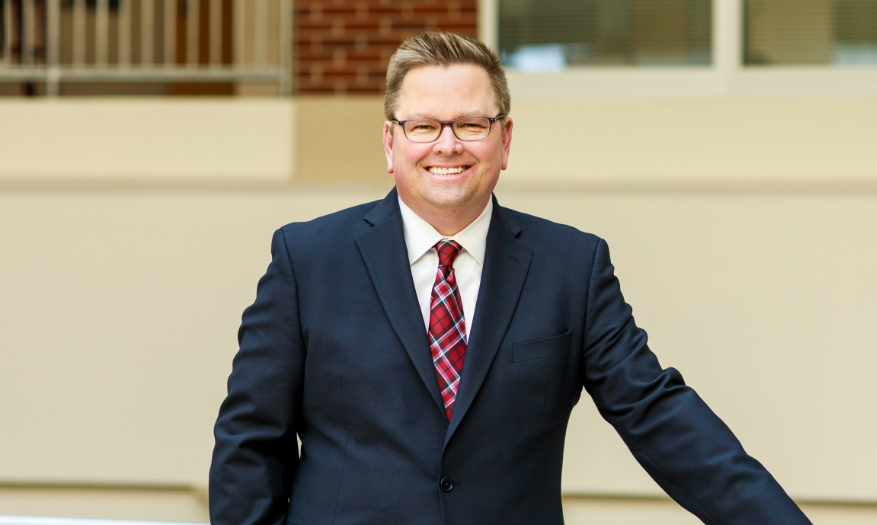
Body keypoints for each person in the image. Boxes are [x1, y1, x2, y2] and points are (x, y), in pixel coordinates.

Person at [209, 31, 810, 525]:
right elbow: (249, 443)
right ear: (390, 142)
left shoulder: (571, 267)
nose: (447, 145)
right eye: (423, 126)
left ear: (505, 139)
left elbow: (659, 415)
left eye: (472, 124)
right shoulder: (307, 259)